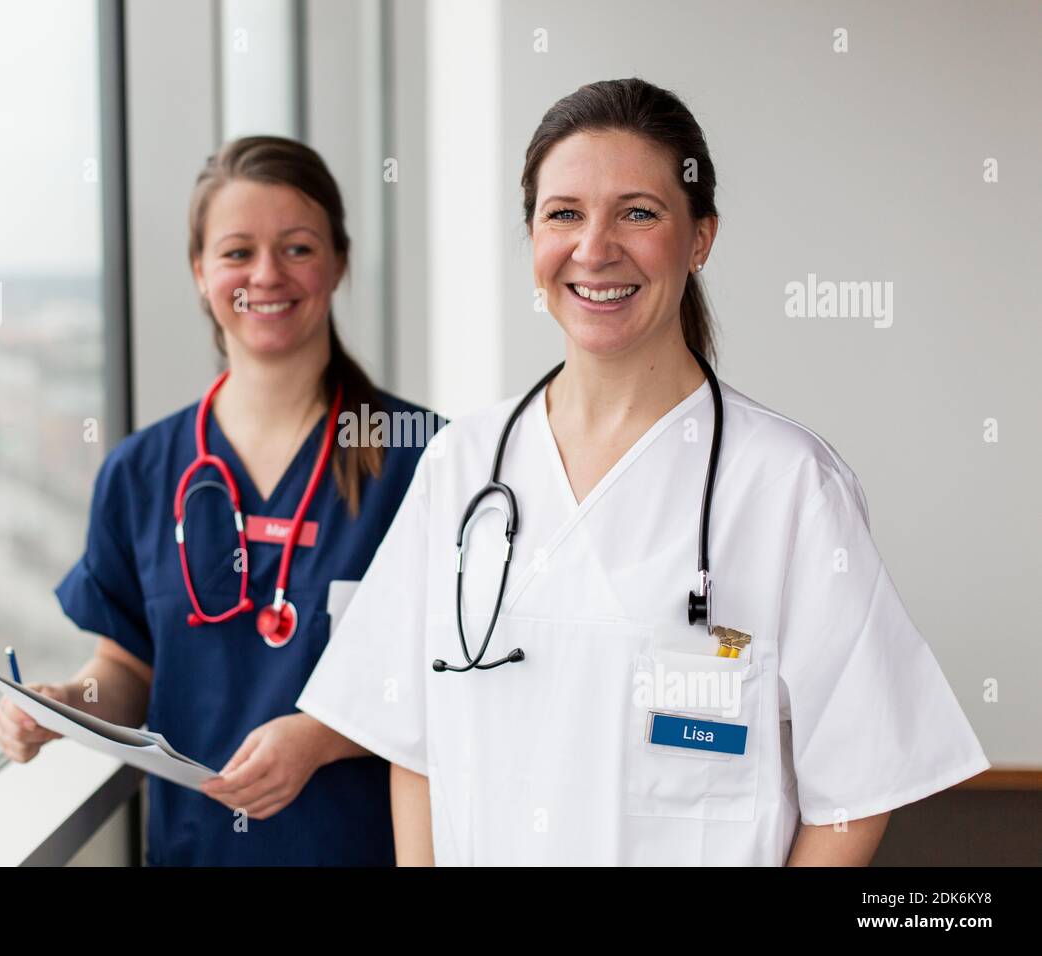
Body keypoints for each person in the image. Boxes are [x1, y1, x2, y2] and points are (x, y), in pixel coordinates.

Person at [295, 78, 990, 866]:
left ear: (700, 239)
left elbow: (856, 792)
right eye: (564, 214)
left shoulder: (787, 485)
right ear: (531, 236)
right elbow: (411, 745)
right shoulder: (462, 466)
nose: (595, 249)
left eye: (639, 212)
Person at [0, 135, 444, 866]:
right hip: (195, 851)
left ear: (338, 262)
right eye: (237, 252)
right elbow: (130, 672)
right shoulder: (141, 473)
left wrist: (319, 739)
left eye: (297, 248)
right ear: (200, 272)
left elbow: (455, 678)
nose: (266, 274)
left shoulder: (424, 456)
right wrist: (66, 706)